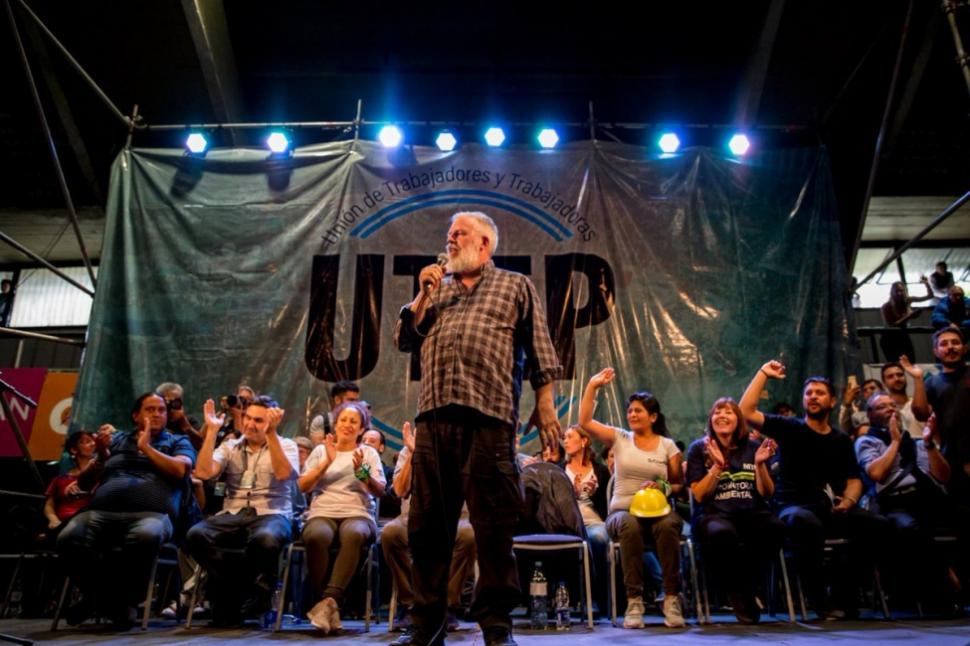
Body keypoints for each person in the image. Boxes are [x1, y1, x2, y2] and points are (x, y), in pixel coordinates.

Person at [394, 211, 562, 646]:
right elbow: (404, 339)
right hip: (434, 419)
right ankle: (427, 626)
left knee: (493, 530)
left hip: (490, 420)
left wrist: (545, 405)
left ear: (484, 243)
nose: (450, 240)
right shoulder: (437, 290)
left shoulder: (515, 286)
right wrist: (423, 294)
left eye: (459, 233)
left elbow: (541, 349)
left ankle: (497, 626)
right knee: (427, 530)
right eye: (448, 234)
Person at [739, 362, 891, 619]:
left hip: (832, 509)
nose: (812, 396)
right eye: (808, 393)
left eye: (819, 393)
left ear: (832, 401)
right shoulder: (789, 428)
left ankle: (843, 593)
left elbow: (854, 479)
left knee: (877, 525)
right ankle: (818, 599)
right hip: (794, 508)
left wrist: (849, 501)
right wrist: (763, 373)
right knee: (806, 522)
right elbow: (745, 411)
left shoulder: (841, 440)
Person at [56, 393, 196, 627]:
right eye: (150, 409)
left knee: (146, 535)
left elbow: (181, 470)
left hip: (152, 516)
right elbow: (84, 484)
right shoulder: (117, 440)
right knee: (68, 537)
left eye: (161, 410)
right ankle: (111, 602)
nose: (157, 414)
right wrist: (101, 456)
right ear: (135, 415)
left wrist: (147, 448)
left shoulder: (177, 441)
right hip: (101, 513)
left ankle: (101, 601)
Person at [578, 367, 686, 629]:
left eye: (638, 410)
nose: (632, 415)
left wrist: (662, 487)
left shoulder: (667, 446)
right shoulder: (620, 438)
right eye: (630, 411)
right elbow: (585, 422)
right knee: (630, 524)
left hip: (657, 513)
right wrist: (593, 386)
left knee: (669, 524)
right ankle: (634, 601)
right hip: (622, 514)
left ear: (653, 416)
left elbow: (678, 485)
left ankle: (671, 598)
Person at [186, 396, 299, 627]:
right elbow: (204, 472)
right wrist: (211, 432)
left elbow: (283, 474)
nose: (249, 424)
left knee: (266, 539)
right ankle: (241, 592)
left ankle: (228, 598)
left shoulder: (287, 445)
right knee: (196, 535)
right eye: (247, 417)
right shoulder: (230, 446)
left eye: (258, 420)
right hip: (234, 513)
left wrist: (271, 435)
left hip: (272, 513)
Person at [855, 392, 967, 611]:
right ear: (870, 415)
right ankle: (943, 593)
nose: (890, 409)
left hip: (928, 498)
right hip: (895, 501)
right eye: (882, 407)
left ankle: (958, 585)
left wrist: (929, 444)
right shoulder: (867, 441)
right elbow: (877, 473)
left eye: (893, 405)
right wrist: (895, 441)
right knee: (910, 528)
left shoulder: (918, 442)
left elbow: (943, 476)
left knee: (965, 515)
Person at [686, 398, 782, 624]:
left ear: (738, 419)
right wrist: (718, 467)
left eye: (728, 412)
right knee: (722, 534)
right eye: (717, 412)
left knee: (774, 527)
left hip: (752, 512)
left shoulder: (754, 448)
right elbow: (699, 495)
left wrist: (759, 465)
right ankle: (739, 592)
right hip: (715, 515)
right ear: (711, 420)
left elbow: (767, 493)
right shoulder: (699, 449)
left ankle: (748, 588)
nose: (722, 415)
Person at [383, 422, 476, 645]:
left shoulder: (461, 447)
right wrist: (414, 453)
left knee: (468, 535)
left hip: (457, 516)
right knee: (390, 534)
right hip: (410, 514)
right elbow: (399, 490)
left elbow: (470, 488)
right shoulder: (405, 451)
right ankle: (411, 606)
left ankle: (448, 606)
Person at [298, 400, 385, 634]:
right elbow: (303, 486)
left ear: (361, 428)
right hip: (323, 512)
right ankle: (328, 606)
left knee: (353, 533)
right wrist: (326, 462)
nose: (347, 425)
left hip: (358, 513)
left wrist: (363, 474)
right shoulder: (320, 451)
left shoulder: (368, 452)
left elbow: (380, 491)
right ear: (335, 425)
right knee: (316, 535)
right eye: (343, 420)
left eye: (353, 421)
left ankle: (328, 601)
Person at [912, 328, 970, 501]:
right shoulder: (932, 383)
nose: (950, 347)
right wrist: (917, 379)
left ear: (965, 348)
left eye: (955, 342)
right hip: (952, 460)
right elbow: (921, 414)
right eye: (944, 344)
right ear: (936, 352)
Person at [562, 425, 611, 614]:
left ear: (583, 441)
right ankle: (578, 598)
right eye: (564, 438)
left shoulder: (600, 471)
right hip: (568, 524)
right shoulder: (559, 470)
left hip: (594, 523)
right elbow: (555, 504)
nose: (565, 441)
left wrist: (594, 494)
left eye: (570, 437)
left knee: (598, 538)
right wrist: (571, 494)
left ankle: (598, 599)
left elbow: (608, 507)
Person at [42, 431, 96, 541]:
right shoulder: (60, 479)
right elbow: (49, 505)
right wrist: (53, 520)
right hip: (62, 523)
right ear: (74, 450)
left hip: (88, 523)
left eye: (92, 441)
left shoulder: (100, 475)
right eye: (85, 441)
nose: (92, 444)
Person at [880, 278, 933, 363]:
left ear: (905, 291)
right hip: (890, 337)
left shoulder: (907, 301)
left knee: (910, 360)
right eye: (897, 291)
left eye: (901, 291)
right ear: (892, 292)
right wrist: (908, 316)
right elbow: (892, 325)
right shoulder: (886, 306)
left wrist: (926, 283)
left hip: (903, 334)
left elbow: (929, 296)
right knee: (896, 362)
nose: (899, 293)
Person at [361, 428, 401, 519]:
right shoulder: (350, 467)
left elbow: (394, 499)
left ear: (381, 448)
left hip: (375, 519)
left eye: (372, 441)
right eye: (363, 441)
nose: (366, 443)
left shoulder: (390, 472)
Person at [880, 359, 927, 438]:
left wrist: (918, 378)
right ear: (884, 383)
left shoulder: (919, 402)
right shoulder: (884, 410)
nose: (896, 379)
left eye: (900, 375)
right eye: (890, 377)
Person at [156, 382, 204, 450]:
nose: (173, 404)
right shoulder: (156, 419)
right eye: (168, 401)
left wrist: (185, 424)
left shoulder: (189, 420)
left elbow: (201, 445)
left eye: (177, 400)